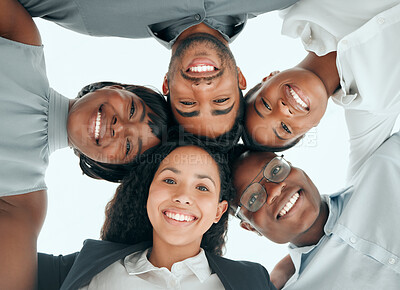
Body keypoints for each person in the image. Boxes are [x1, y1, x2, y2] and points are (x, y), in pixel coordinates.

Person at [0, 1, 168, 289]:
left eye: (129, 147)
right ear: (116, 87)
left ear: (106, 168)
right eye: (131, 110)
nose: (120, 127)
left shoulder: (25, 202)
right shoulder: (21, 38)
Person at [19, 0, 299, 144]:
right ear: (240, 78)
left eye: (187, 103)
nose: (202, 88)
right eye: (220, 101)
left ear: (167, 84)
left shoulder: (89, 14)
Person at [37, 141, 277, 290]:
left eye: (202, 187)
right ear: (148, 194)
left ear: (218, 211)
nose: (183, 196)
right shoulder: (87, 269)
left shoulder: (252, 280)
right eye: (170, 180)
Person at [230, 128, 400, 289]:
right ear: (250, 227)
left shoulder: (386, 163)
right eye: (252, 198)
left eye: (275, 169)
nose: (274, 190)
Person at [244, 0, 400, 171]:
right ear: (308, 130)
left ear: (268, 77)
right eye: (285, 128)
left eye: (265, 104)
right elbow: (361, 182)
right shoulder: (374, 106)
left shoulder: (298, 7)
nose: (283, 110)